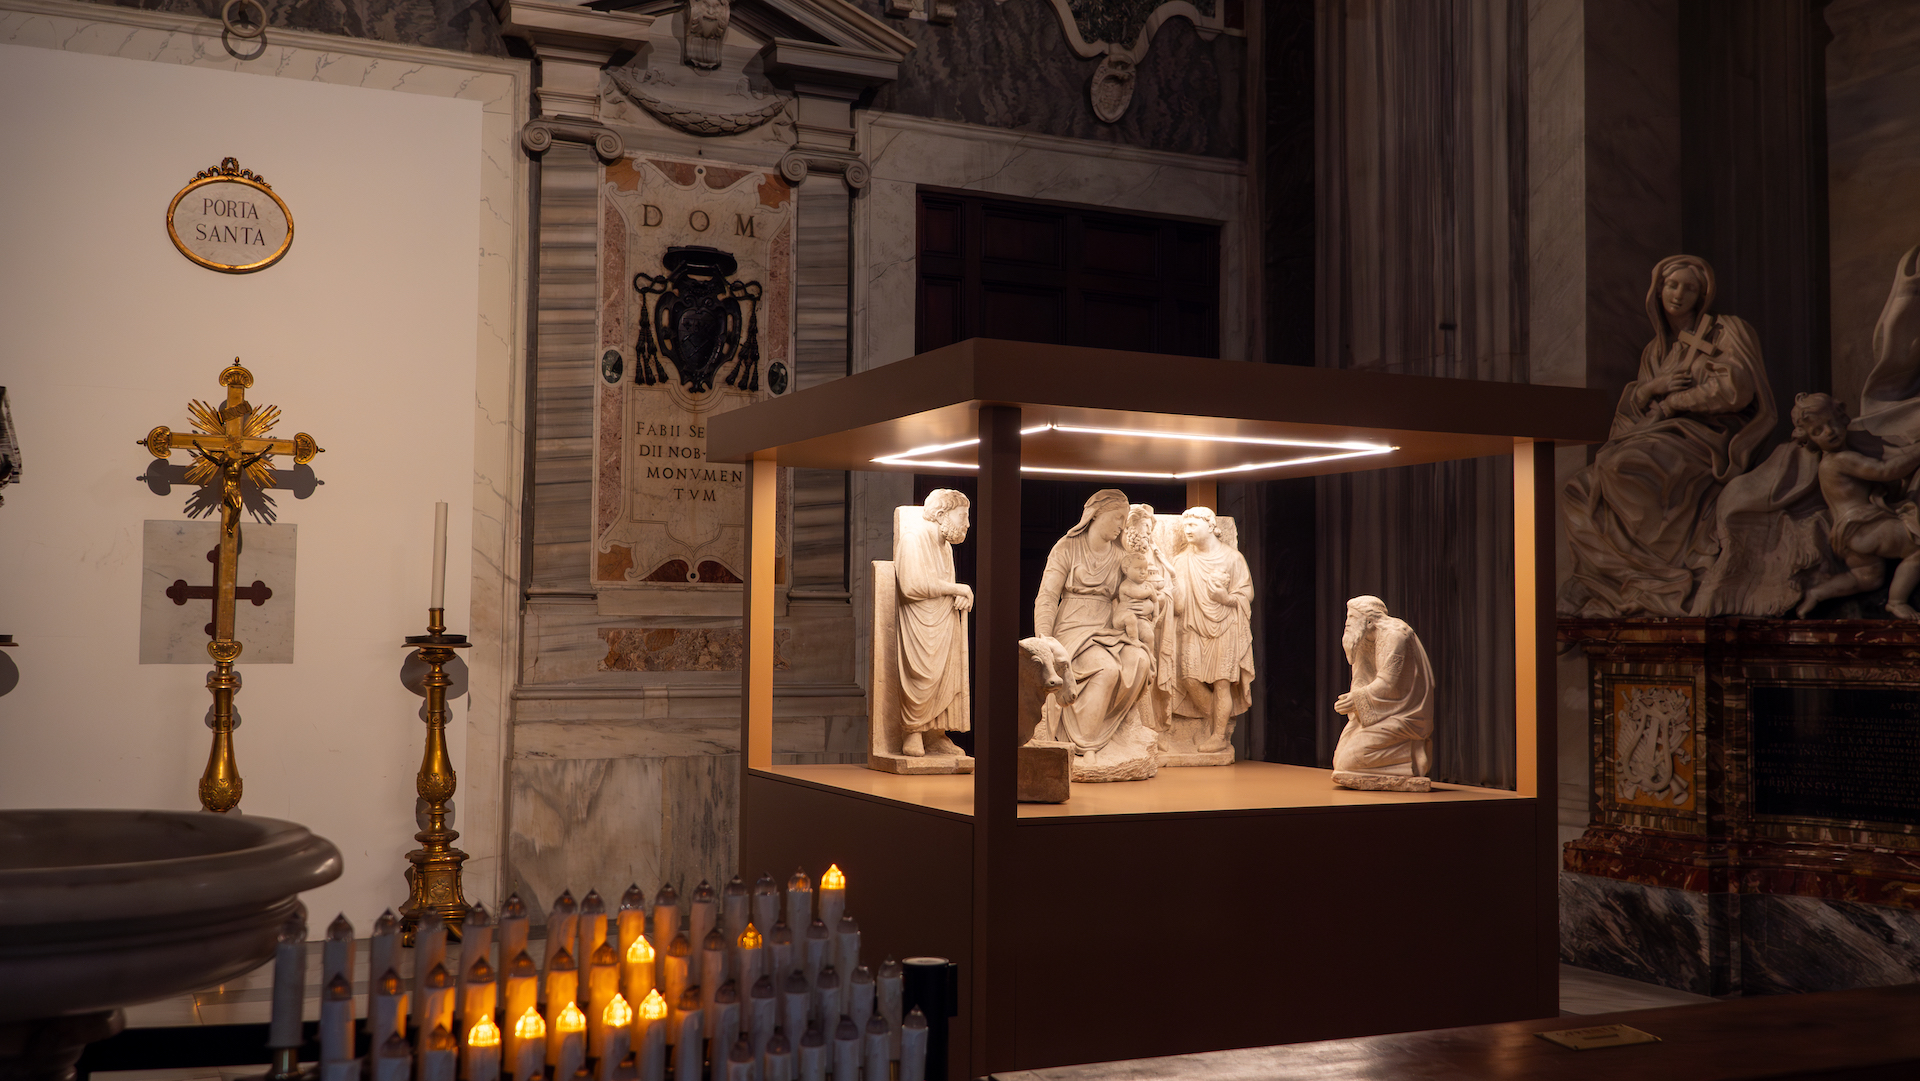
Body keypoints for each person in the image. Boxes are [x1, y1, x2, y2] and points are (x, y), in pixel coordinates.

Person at [1562, 255, 1774, 617]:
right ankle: (1629, 576)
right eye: (1672, 285)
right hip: (1658, 434)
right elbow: (1632, 414)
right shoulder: (1655, 352)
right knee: (1580, 488)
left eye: (1689, 288)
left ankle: (1666, 573)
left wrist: (1675, 402)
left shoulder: (1724, 331)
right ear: (1657, 290)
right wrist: (1649, 390)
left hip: (1707, 437)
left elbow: (1735, 389)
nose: (1678, 294)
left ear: (1702, 295)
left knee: (1621, 464)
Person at [1032, 489, 1156, 756]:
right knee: (1107, 669)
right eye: (1117, 517)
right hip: (1072, 627)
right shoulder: (1067, 547)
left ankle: (1106, 732)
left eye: (1124, 519)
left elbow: (1135, 595)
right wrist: (1045, 639)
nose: (1122, 525)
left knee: (1140, 661)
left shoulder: (1120, 556)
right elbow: (1048, 596)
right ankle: (1084, 744)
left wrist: (1146, 605)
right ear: (1096, 514)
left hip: (1108, 629)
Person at [1788, 394, 1920, 618]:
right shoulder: (1840, 460)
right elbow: (1885, 471)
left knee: (1867, 578)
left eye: (1831, 423)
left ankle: (1817, 593)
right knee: (1917, 548)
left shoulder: (1826, 464)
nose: (1829, 432)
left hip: (1846, 536)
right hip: (1866, 526)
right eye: (1818, 431)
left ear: (1842, 418)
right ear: (1809, 439)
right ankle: (1897, 601)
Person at [1167, 507, 1254, 754]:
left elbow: (1247, 593)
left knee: (1222, 683)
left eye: (1194, 525)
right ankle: (1219, 721)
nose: (1188, 530)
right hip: (1193, 627)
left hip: (1226, 625)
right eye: (1185, 527)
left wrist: (1226, 598)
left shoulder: (1232, 558)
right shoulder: (1182, 560)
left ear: (1210, 526)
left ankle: (1217, 736)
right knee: (1189, 679)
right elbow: (1179, 602)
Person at [893, 489, 972, 756]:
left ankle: (936, 733)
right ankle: (913, 731)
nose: (968, 524)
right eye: (963, 516)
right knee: (922, 674)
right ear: (941, 515)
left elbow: (946, 586)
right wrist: (957, 590)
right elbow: (911, 585)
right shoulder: (913, 539)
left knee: (944, 676)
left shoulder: (945, 547)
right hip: (919, 620)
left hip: (942, 619)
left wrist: (957, 596)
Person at [1332, 596, 1434, 787]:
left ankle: (1413, 754)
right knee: (1340, 761)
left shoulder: (1395, 635)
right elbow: (1360, 679)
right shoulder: (1362, 637)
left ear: (1369, 621)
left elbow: (1388, 683)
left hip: (1404, 713)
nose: (1347, 624)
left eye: (1351, 618)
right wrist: (1354, 699)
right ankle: (1408, 754)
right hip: (1378, 710)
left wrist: (1357, 699)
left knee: (1348, 762)